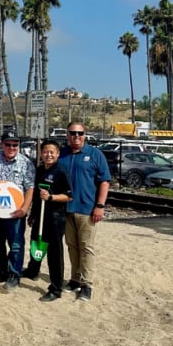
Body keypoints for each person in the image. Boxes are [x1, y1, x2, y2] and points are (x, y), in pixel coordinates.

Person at [60, 122, 111, 302]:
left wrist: (100, 206)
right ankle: (74, 279)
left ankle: (86, 284)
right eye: (73, 133)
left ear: (85, 134)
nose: (76, 136)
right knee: (72, 246)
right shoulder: (62, 154)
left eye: (80, 133)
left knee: (87, 248)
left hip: (87, 210)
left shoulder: (95, 155)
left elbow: (104, 181)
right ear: (67, 134)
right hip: (66, 210)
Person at [0, 130, 35, 291]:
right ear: (2, 144)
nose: (12, 147)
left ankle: (14, 274)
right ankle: (0, 270)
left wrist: (25, 208)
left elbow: (30, 188)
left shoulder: (25, 163)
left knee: (16, 244)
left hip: (15, 212)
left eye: (15, 144)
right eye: (8, 144)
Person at [24, 139, 72, 301]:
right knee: (36, 243)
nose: (48, 155)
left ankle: (56, 288)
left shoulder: (61, 171)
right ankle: (32, 271)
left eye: (52, 152)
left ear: (57, 154)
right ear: (41, 154)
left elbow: (68, 196)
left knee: (54, 253)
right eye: (45, 152)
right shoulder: (39, 170)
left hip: (55, 218)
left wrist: (51, 197)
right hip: (40, 216)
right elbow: (36, 198)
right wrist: (32, 214)